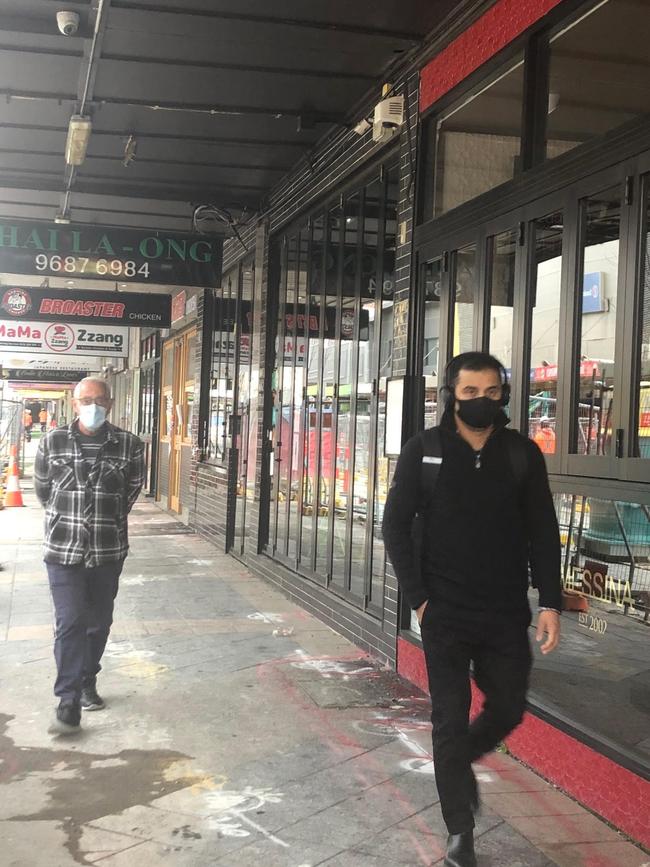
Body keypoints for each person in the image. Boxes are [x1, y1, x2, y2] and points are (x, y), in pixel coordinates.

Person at [382, 352, 561, 867]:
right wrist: (419, 599)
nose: (482, 402)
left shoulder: (522, 455)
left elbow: (543, 533)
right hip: (445, 614)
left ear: (503, 394)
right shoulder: (426, 452)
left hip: (505, 614)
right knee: (448, 720)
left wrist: (549, 600)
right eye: (470, 393)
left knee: (508, 707)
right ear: (450, 397)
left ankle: (455, 765)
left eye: (492, 393)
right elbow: (394, 526)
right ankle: (459, 831)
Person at [34, 377, 145, 735]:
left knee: (99, 622)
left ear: (110, 404)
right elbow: (43, 490)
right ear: (74, 402)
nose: (92, 406)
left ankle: (87, 679)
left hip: (107, 549)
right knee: (70, 621)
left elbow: (129, 493)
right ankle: (67, 700)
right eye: (86, 400)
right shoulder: (53, 441)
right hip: (63, 550)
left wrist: (103, 519)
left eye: (99, 400)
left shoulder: (129, 445)